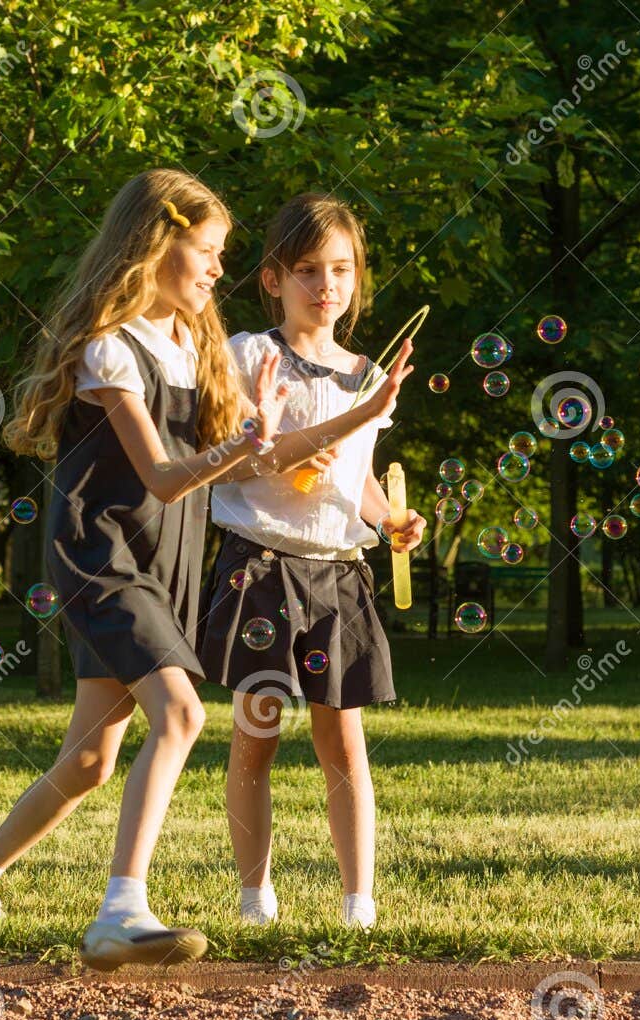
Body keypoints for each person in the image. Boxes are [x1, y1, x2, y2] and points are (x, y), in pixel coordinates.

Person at [0, 169, 405, 970]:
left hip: (170, 568)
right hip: (106, 557)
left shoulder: (192, 345)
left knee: (88, 759)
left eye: (224, 254)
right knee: (183, 715)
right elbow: (164, 476)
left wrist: (279, 433)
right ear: (155, 246)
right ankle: (121, 908)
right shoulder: (109, 349)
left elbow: (241, 465)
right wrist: (248, 442)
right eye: (208, 251)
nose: (220, 269)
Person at [201, 192, 425, 931]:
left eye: (340, 269)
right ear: (272, 278)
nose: (325, 285)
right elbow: (240, 461)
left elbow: (355, 477)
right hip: (263, 565)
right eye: (306, 270)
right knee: (255, 734)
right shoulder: (250, 356)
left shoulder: (368, 376)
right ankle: (254, 896)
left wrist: (390, 519)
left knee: (344, 742)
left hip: (337, 573)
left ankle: (359, 905)